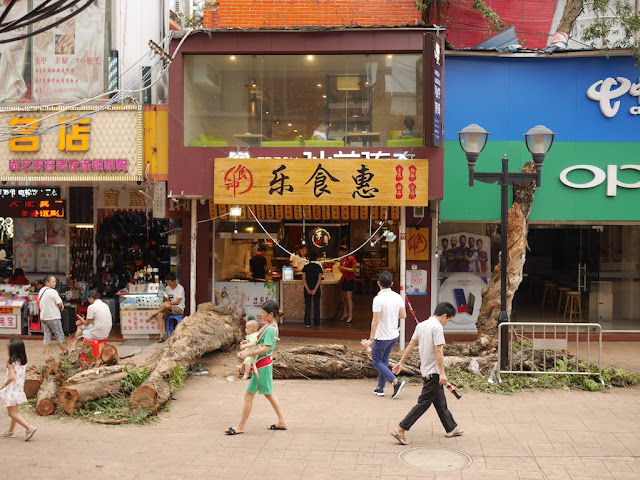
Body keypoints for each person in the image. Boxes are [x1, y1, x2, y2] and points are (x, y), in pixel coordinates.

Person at [390, 302, 463, 446]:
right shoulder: (437, 328)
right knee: (424, 403)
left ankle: (450, 428)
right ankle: (401, 428)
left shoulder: (421, 325)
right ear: (444, 316)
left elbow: (411, 345)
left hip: (426, 370)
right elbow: (438, 351)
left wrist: (401, 362)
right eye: (448, 320)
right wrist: (442, 373)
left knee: (439, 400)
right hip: (433, 372)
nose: (447, 323)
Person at [225, 300, 287, 435]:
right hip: (261, 365)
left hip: (263, 365)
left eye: (263, 313)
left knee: (250, 395)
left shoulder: (270, 328)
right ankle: (281, 421)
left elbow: (266, 348)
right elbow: (258, 340)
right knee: (267, 394)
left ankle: (240, 426)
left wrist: (249, 352)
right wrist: (247, 343)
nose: (261, 315)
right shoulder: (268, 325)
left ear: (271, 314)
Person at [362, 271, 407, 399]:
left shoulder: (378, 299)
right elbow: (403, 315)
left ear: (378, 283)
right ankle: (380, 388)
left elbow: (375, 321)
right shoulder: (398, 297)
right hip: (394, 335)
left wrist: (370, 339)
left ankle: (395, 382)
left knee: (376, 362)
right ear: (392, 284)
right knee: (383, 361)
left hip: (382, 337)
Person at [0, 339, 37, 440]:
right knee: (14, 413)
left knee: (11, 413)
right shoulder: (22, 362)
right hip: (19, 390)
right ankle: (11, 431)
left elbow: (11, 377)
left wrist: (3, 385)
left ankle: (29, 427)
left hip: (11, 391)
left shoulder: (11, 363)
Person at [147, 273, 185, 343]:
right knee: (160, 315)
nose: (168, 284)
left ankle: (153, 314)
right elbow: (169, 301)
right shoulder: (167, 288)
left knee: (166, 305)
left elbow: (177, 302)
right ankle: (162, 335)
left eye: (169, 282)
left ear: (174, 281)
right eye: (167, 282)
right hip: (168, 308)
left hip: (179, 308)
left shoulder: (180, 288)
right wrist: (165, 299)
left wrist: (167, 303)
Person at [38, 275, 69, 363]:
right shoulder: (53, 292)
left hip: (44, 317)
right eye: (53, 281)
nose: (55, 283)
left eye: (55, 282)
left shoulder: (41, 290)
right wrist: (61, 307)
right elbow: (60, 303)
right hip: (53, 317)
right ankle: (65, 351)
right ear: (47, 282)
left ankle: (47, 355)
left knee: (47, 336)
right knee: (60, 336)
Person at [302, 251, 323, 328]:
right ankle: (316, 323)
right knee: (316, 306)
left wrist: (308, 289)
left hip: (307, 288)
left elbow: (303, 279)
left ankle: (307, 322)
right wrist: (315, 289)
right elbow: (319, 280)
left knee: (308, 306)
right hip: (316, 289)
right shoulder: (319, 268)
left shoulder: (305, 267)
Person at [338, 245, 356, 323]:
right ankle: (345, 313)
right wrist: (341, 269)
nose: (341, 254)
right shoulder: (342, 259)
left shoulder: (351, 258)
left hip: (350, 279)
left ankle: (350, 315)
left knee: (348, 297)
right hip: (344, 278)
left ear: (346, 252)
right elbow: (342, 269)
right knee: (344, 297)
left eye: (342, 252)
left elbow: (354, 270)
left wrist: (344, 268)